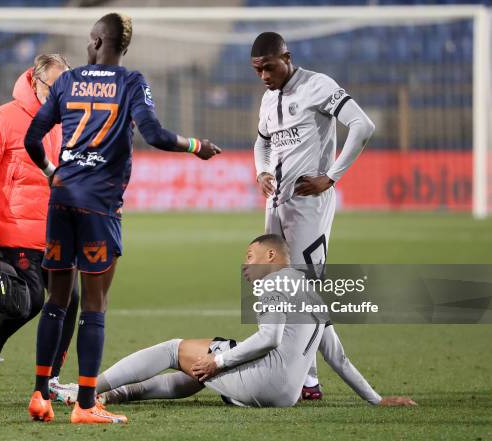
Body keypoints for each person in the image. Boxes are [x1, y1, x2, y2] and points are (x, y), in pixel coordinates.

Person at [24, 12, 221, 424]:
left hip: (61, 200)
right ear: (122, 46)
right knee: (94, 305)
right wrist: (196, 145)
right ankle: (85, 404)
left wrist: (51, 172)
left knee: (57, 301)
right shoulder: (131, 82)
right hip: (99, 205)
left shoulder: (67, 80)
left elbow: (32, 138)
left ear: (97, 39)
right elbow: (156, 135)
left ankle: (40, 395)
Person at [91, 234, 415, 409]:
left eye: (249, 256)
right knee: (198, 371)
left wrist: (219, 360)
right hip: (287, 395)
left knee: (175, 350)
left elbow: (269, 338)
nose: (245, 264)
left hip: (263, 383)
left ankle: (86, 389)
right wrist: (375, 399)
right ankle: (114, 396)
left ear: (270, 257)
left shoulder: (274, 282)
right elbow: (337, 358)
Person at [250, 32, 376, 397]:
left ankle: (310, 379)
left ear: (286, 58)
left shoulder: (318, 86)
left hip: (309, 208)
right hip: (276, 206)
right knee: (276, 286)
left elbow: (362, 126)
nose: (263, 76)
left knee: (305, 293)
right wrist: (262, 171)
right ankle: (306, 378)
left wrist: (331, 177)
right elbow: (262, 141)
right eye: (257, 70)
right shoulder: (268, 98)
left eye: (269, 68)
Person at [0, 54, 79, 395]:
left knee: (69, 300)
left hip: (55, 230)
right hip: (12, 228)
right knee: (28, 300)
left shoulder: (68, 121)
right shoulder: (1, 119)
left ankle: (52, 380)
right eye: (53, 85)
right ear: (34, 81)